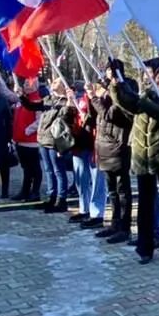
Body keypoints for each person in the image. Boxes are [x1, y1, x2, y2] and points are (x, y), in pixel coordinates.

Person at [111, 58, 159, 265]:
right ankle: (145, 248)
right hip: (143, 160)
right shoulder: (144, 97)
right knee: (144, 206)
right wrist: (117, 82)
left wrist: (143, 100)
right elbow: (126, 102)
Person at [89, 61, 135, 244]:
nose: (107, 74)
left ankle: (125, 226)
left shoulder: (125, 88)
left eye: (110, 70)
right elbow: (98, 116)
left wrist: (94, 98)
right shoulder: (106, 89)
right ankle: (115, 223)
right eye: (106, 70)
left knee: (122, 190)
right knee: (112, 190)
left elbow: (111, 115)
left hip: (118, 144)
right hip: (104, 145)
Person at [20, 77, 73, 213]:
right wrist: (21, 96)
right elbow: (32, 106)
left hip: (55, 140)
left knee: (58, 170)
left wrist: (69, 101)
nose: (52, 84)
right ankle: (52, 196)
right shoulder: (49, 99)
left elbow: (66, 119)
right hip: (43, 139)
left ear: (63, 85)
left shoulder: (66, 101)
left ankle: (61, 199)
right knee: (48, 170)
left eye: (56, 82)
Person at [68, 81, 106, 229]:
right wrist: (70, 102)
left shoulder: (101, 101)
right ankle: (84, 209)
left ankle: (97, 214)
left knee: (97, 181)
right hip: (79, 144)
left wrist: (89, 107)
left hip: (94, 144)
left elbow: (95, 116)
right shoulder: (80, 99)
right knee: (81, 180)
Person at [11, 80, 42, 202]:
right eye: (25, 85)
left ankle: (35, 192)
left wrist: (28, 130)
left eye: (30, 85)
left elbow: (39, 120)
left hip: (31, 140)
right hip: (20, 140)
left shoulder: (37, 100)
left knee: (35, 168)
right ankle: (25, 190)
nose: (27, 87)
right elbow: (8, 95)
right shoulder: (22, 100)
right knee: (26, 168)